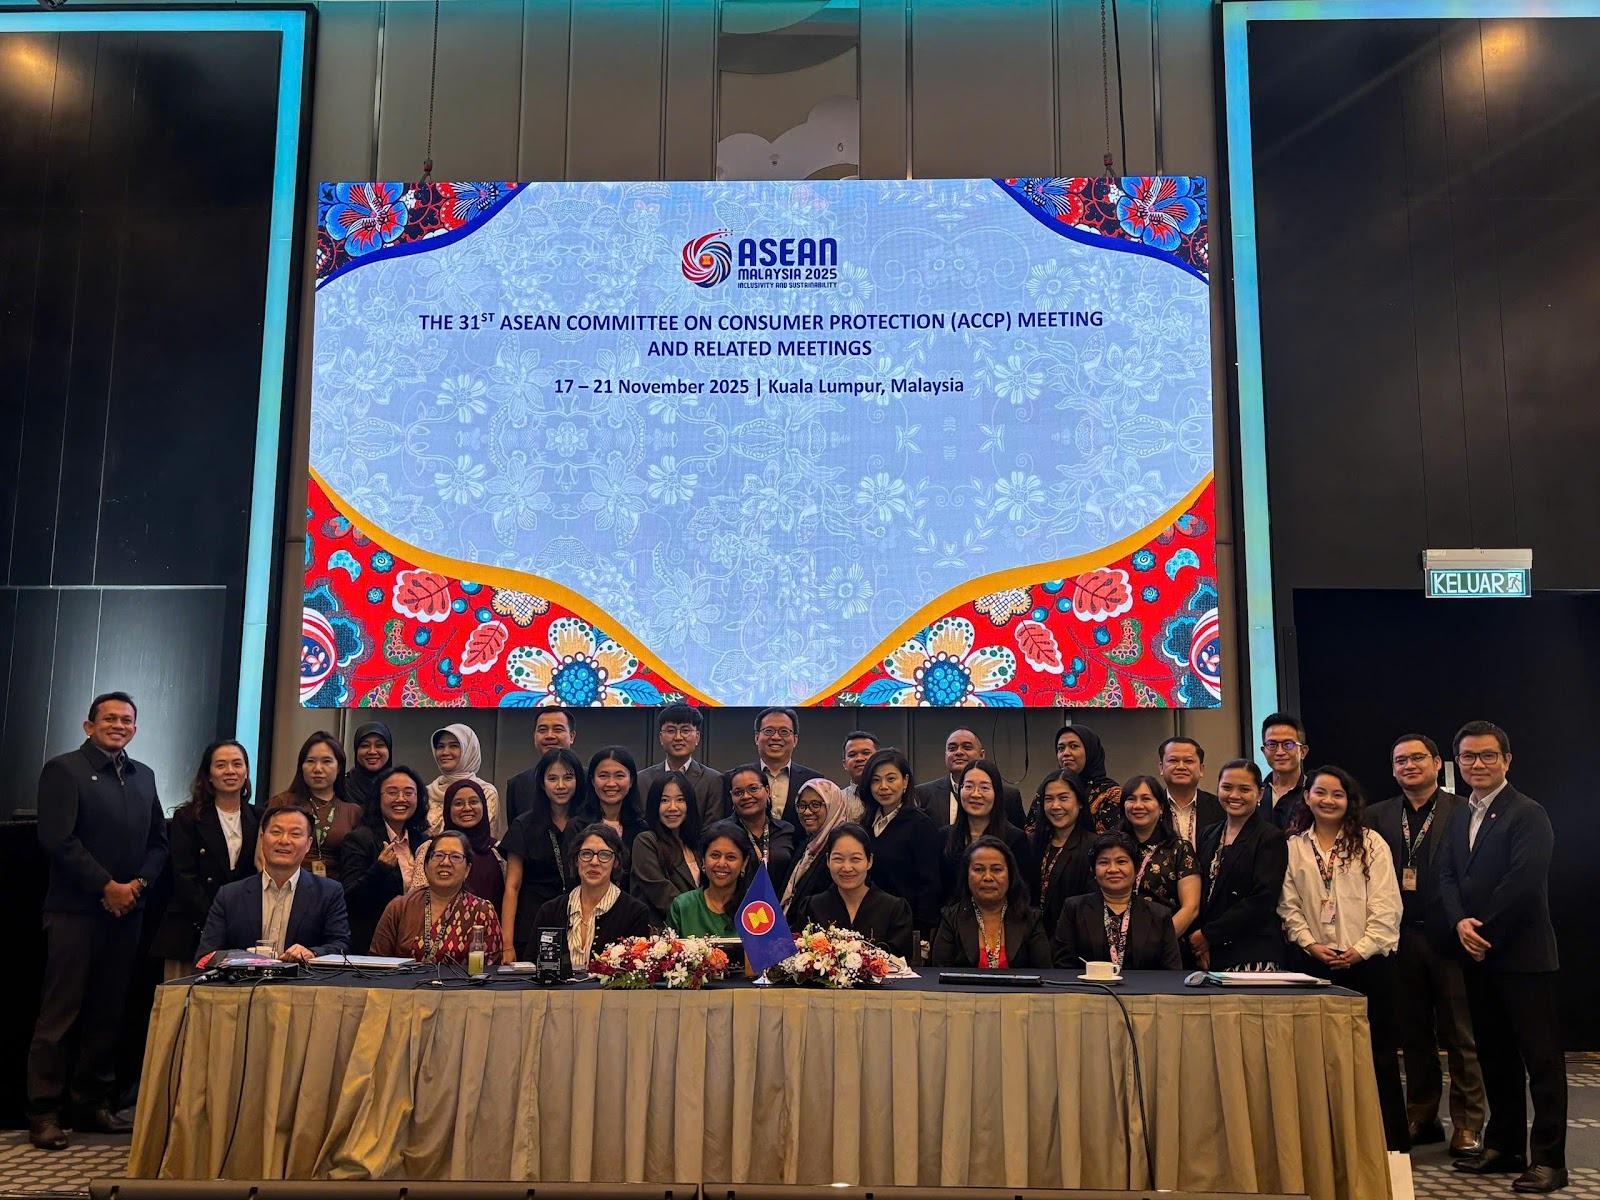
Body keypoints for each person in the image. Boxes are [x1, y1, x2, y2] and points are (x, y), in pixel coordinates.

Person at [28, 692, 167, 1150]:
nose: (118, 725)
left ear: (135, 728)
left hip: (128, 912)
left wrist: (136, 887)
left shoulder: (145, 775)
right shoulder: (63, 770)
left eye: (127, 720)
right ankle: (44, 1111)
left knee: (108, 1012)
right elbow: (57, 839)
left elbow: (158, 843)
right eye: (109, 718)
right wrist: (107, 886)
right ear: (89, 726)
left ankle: (92, 1104)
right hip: (75, 911)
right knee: (61, 1013)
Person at [1439, 721, 1567, 1193]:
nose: (1478, 764)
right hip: (1478, 957)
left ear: (1507, 760)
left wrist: (1482, 930)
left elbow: (1524, 880)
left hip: (1523, 957)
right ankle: (1505, 1146)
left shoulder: (1528, 813)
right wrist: (1459, 923)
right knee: (1495, 1057)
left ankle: (1550, 1160)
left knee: (1542, 1063)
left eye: (1487, 755)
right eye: (1468, 756)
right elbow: (1446, 876)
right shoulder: (1459, 814)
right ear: (1458, 762)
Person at [1278, 766, 1407, 1151]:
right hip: (1313, 965)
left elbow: (1387, 905)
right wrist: (1309, 944)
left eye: (1338, 794)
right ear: (1307, 797)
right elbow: (1288, 906)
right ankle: (1326, 1145)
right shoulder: (1293, 847)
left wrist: (1360, 949)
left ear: (1350, 801)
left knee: (1377, 1056)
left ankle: (1389, 1145)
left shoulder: (1371, 843)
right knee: (1316, 1058)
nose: (1328, 800)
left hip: (1368, 964)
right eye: (1320, 792)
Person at [1367, 734, 1485, 1156]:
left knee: (1460, 1035)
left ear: (1438, 763)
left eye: (1418, 758)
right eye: (1400, 760)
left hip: (1448, 938)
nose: (1409, 765)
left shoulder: (1463, 810)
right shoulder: (1377, 815)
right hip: (1398, 938)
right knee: (1413, 1033)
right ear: (1392, 768)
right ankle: (1422, 1115)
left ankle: (1469, 1123)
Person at [152, 740, 261, 981]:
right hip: (190, 927)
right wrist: (217, 918)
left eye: (237, 764)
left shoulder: (259, 817)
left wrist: (236, 921)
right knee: (181, 998)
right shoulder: (187, 818)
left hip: (241, 931)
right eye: (221, 765)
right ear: (209, 775)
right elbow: (183, 878)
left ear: (246, 772)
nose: (230, 771)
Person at [195, 804, 351, 963]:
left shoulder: (328, 892)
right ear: (262, 838)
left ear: (308, 844)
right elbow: (206, 956)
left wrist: (312, 953)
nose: (284, 840)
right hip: (244, 978)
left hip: (302, 978)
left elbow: (341, 945)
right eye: (276, 832)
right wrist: (243, 960)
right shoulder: (230, 895)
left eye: (295, 834)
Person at [1188, 760, 1288, 972]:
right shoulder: (1208, 833)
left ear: (1260, 794)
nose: (1234, 795)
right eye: (1227, 787)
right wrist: (1203, 943)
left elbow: (1262, 899)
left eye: (1244, 789)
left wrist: (1208, 935)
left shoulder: (1270, 837)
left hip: (1251, 953)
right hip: (1212, 952)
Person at [499, 747, 587, 962]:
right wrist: (507, 945)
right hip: (532, 921)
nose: (560, 786)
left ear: (578, 780)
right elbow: (512, 886)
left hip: (579, 919)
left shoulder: (589, 823)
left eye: (568, 777)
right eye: (552, 778)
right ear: (541, 783)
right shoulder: (524, 824)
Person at [369, 831, 504, 965]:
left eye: (455, 857)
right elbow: (377, 964)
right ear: (426, 866)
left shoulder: (482, 912)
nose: (445, 862)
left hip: (463, 980)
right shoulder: (400, 907)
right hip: (404, 980)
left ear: (467, 870)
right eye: (439, 855)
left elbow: (490, 970)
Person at [1053, 832, 1182, 971]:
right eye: (1104, 862)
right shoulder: (1074, 909)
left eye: (1121, 862)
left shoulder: (1159, 915)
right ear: (1093, 870)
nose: (1113, 869)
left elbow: (1171, 972)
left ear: (1136, 868)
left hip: (1145, 986)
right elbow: (1063, 967)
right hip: (1088, 985)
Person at [340, 765, 430, 953]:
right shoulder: (360, 839)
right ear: (378, 798)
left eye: (408, 793)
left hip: (417, 943)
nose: (401, 799)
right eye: (392, 792)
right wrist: (379, 869)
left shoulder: (423, 841)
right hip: (374, 944)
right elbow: (349, 899)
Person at [857, 748, 942, 941]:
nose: (883, 787)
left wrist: (921, 935)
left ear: (905, 781)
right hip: (868, 923)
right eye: (876, 780)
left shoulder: (920, 824)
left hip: (905, 926)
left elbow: (929, 886)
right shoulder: (865, 825)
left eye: (891, 779)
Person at [930, 836, 1052, 969]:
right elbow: (940, 973)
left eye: (996, 869)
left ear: (1010, 874)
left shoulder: (1031, 919)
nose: (988, 877)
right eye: (979, 869)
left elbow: (1045, 974)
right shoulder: (950, 919)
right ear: (967, 875)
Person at [801, 823, 915, 959]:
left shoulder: (894, 909)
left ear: (869, 861)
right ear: (827, 861)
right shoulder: (812, 907)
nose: (847, 868)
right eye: (838, 859)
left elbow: (900, 962)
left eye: (855, 859)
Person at [266, 731, 361, 881]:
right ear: (301, 766)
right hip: (286, 885)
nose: (317, 768)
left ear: (339, 767)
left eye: (327, 761)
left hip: (337, 890)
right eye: (310, 761)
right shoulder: (282, 803)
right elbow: (261, 855)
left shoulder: (352, 811)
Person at [1119, 775, 1201, 942]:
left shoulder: (1179, 849)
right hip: (1114, 943)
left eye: (1146, 799)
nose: (1138, 805)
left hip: (1164, 943)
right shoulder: (1111, 847)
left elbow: (1191, 908)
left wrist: (1157, 942)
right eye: (1131, 799)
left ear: (1161, 807)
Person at [940, 760, 1032, 903]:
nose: (976, 794)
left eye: (984, 788)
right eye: (969, 786)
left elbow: (1023, 893)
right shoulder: (944, 836)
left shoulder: (1015, 839)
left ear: (997, 793)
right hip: (952, 915)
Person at [914, 727, 1025, 829]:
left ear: (982, 755)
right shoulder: (923, 794)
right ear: (945, 755)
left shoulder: (1009, 796)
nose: (958, 752)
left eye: (967, 747)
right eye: (952, 748)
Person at [630, 771, 702, 924]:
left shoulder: (696, 844)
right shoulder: (646, 841)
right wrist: (703, 918)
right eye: (664, 800)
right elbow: (662, 893)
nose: (673, 807)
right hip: (662, 932)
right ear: (654, 805)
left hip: (698, 932)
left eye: (680, 800)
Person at [417, 779, 504, 904]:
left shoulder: (498, 851)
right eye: (458, 803)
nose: (467, 808)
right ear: (448, 809)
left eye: (473, 802)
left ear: (483, 806)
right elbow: (418, 898)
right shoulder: (431, 848)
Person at [636, 703, 725, 825]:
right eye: (671, 731)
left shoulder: (713, 780)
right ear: (661, 738)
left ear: (697, 737)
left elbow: (714, 827)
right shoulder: (642, 780)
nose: (678, 737)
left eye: (685, 730)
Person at [667, 820, 757, 937]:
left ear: (744, 863)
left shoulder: (756, 906)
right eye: (715, 855)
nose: (721, 863)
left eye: (731, 857)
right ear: (703, 860)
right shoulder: (682, 906)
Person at [1030, 769, 1095, 931]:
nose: (1055, 806)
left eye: (1063, 798)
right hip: (1032, 935)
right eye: (1049, 799)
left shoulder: (1093, 846)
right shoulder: (1032, 843)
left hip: (1072, 935)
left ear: (1080, 802)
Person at [572, 746, 646, 886]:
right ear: (592, 781)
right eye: (603, 776)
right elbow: (572, 876)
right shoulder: (577, 827)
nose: (611, 783)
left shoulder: (642, 828)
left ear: (631, 781)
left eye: (619, 776)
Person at [780, 777, 851, 923]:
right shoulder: (807, 844)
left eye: (815, 805)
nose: (807, 812)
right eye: (802, 805)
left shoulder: (841, 847)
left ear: (833, 805)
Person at [724, 763, 798, 893]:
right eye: (738, 792)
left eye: (753, 789)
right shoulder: (722, 832)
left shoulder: (787, 831)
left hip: (779, 903)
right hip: (734, 904)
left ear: (767, 791)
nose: (746, 796)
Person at [426, 723, 504, 838]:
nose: (445, 752)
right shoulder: (427, 792)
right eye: (440, 746)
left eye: (454, 746)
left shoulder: (485, 792)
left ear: (469, 750)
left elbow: (486, 838)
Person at [505, 708, 578, 823]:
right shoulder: (518, 784)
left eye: (558, 730)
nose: (549, 736)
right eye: (542, 730)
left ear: (572, 736)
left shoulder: (589, 779)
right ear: (534, 736)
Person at [752, 707, 822, 825]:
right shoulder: (735, 779)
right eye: (768, 731)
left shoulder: (814, 781)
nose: (776, 737)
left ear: (795, 740)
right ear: (757, 737)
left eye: (784, 731)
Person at [1053, 723, 1122, 833]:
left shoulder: (1110, 794)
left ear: (1090, 750)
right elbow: (1033, 833)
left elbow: (1114, 839)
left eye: (1073, 746)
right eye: (1060, 748)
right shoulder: (1050, 789)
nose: (1065, 753)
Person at [1158, 736, 1222, 850]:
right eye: (1173, 760)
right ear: (1161, 768)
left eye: (1188, 761)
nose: (1181, 767)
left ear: (1201, 769)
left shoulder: (1219, 807)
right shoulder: (1151, 806)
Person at [1259, 713, 1309, 831]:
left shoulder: (1313, 793)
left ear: (1303, 752)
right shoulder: (1256, 793)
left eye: (1288, 744)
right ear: (1264, 751)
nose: (1280, 752)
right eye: (1272, 745)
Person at [344, 722, 393, 812]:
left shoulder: (400, 787)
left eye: (379, 745)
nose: (372, 751)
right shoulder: (343, 788)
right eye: (365, 746)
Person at [838, 730, 878, 816]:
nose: (859, 758)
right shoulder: (837, 800)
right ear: (844, 764)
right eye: (852, 755)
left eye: (866, 753)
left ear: (878, 758)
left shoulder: (891, 794)